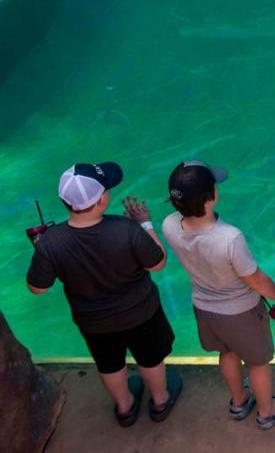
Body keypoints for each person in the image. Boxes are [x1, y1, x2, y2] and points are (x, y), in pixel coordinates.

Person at [26, 162, 182, 426]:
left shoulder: (50, 242)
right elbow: (158, 263)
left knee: (109, 364)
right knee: (150, 359)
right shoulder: (126, 229)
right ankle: (160, 400)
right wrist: (145, 225)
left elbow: (38, 288)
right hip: (141, 313)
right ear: (101, 200)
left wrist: (43, 250)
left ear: (65, 202)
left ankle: (125, 407)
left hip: (93, 322)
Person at [155, 161, 275, 429]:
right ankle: (268, 411)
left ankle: (239, 401)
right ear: (211, 197)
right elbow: (254, 277)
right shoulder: (229, 238)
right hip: (241, 312)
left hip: (205, 309)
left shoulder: (169, 225)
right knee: (257, 363)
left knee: (227, 352)